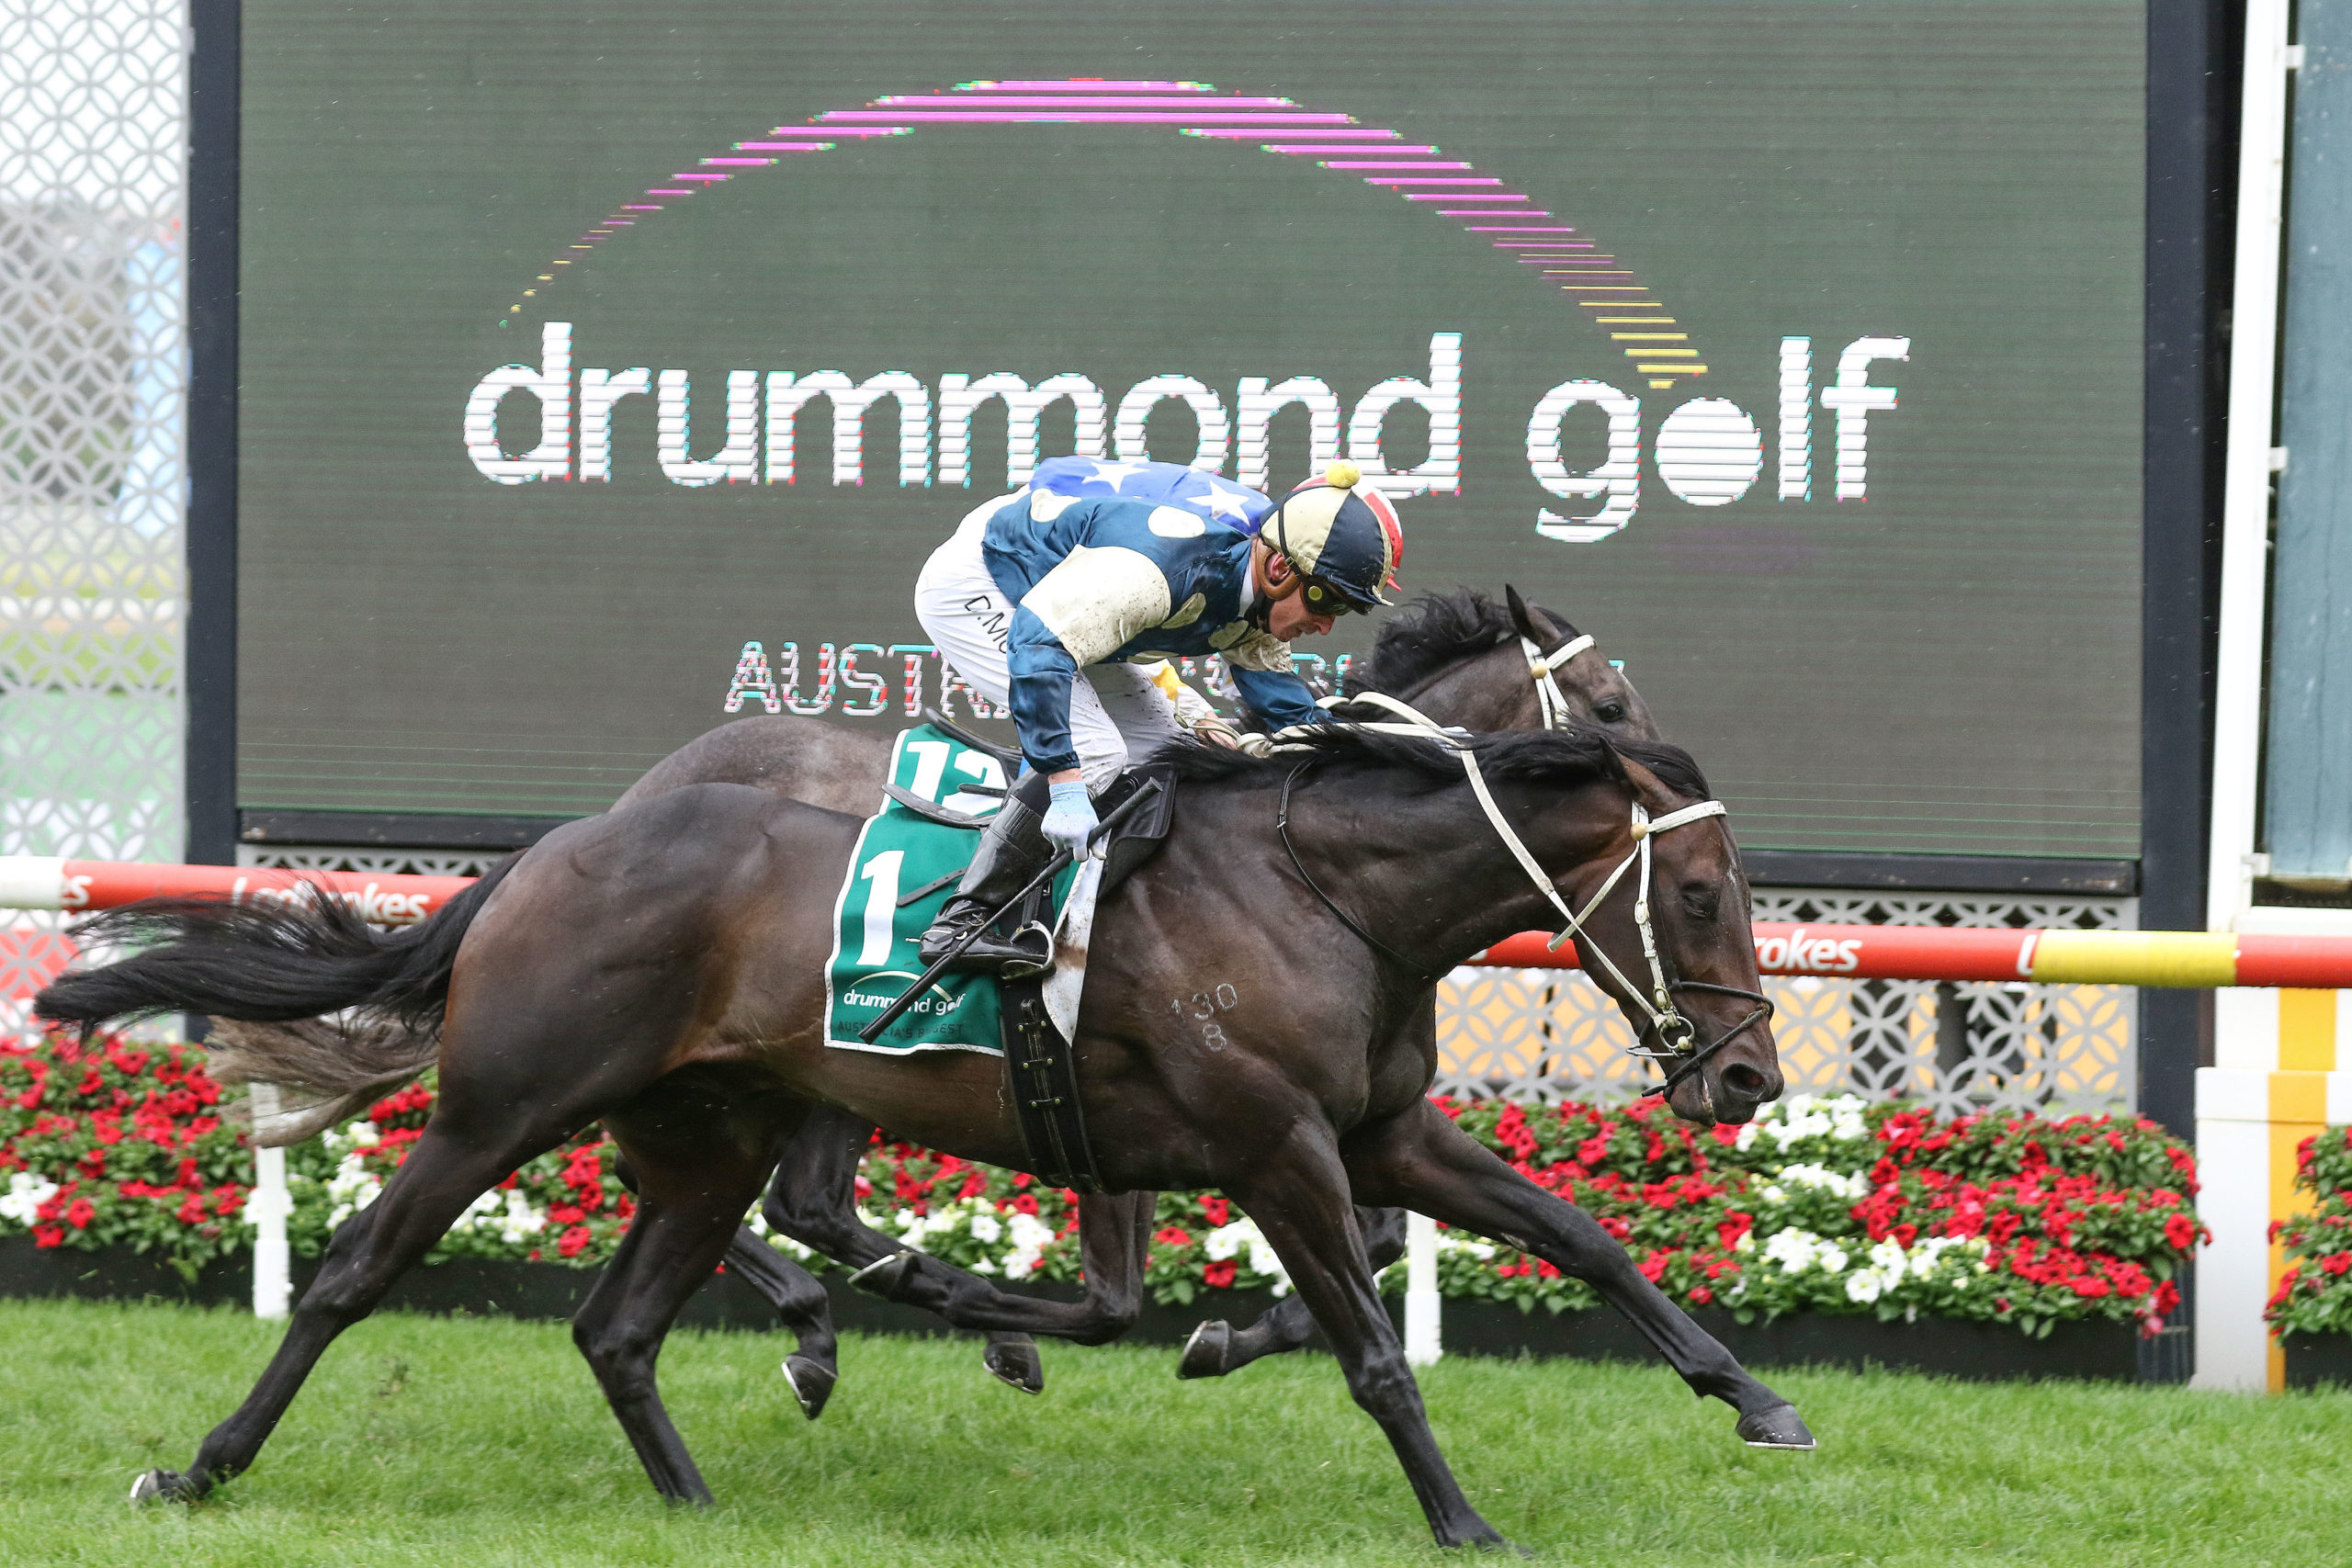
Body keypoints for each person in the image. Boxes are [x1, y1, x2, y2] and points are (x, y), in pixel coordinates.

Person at [911, 456, 1406, 974]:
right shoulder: (1155, 571)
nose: (1326, 626)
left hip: (1068, 597)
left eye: (1345, 610)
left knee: (1167, 755)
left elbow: (1289, 714)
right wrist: (1063, 783)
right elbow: (1038, 648)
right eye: (1328, 602)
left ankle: (1091, 911)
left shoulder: (1261, 582)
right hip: (986, 580)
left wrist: (1392, 753)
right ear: (1280, 569)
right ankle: (963, 922)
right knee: (1096, 752)